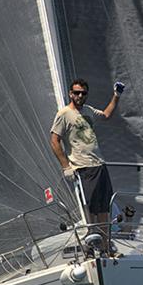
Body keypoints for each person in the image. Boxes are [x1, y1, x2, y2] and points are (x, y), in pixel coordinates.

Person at [50, 78, 123, 252]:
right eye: (76, 92)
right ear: (70, 94)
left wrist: (116, 96)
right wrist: (66, 166)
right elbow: (54, 140)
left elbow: (106, 115)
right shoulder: (64, 114)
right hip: (83, 167)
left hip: (99, 165)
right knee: (90, 208)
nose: (80, 96)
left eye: (83, 93)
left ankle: (106, 246)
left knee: (104, 207)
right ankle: (92, 245)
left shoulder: (88, 111)